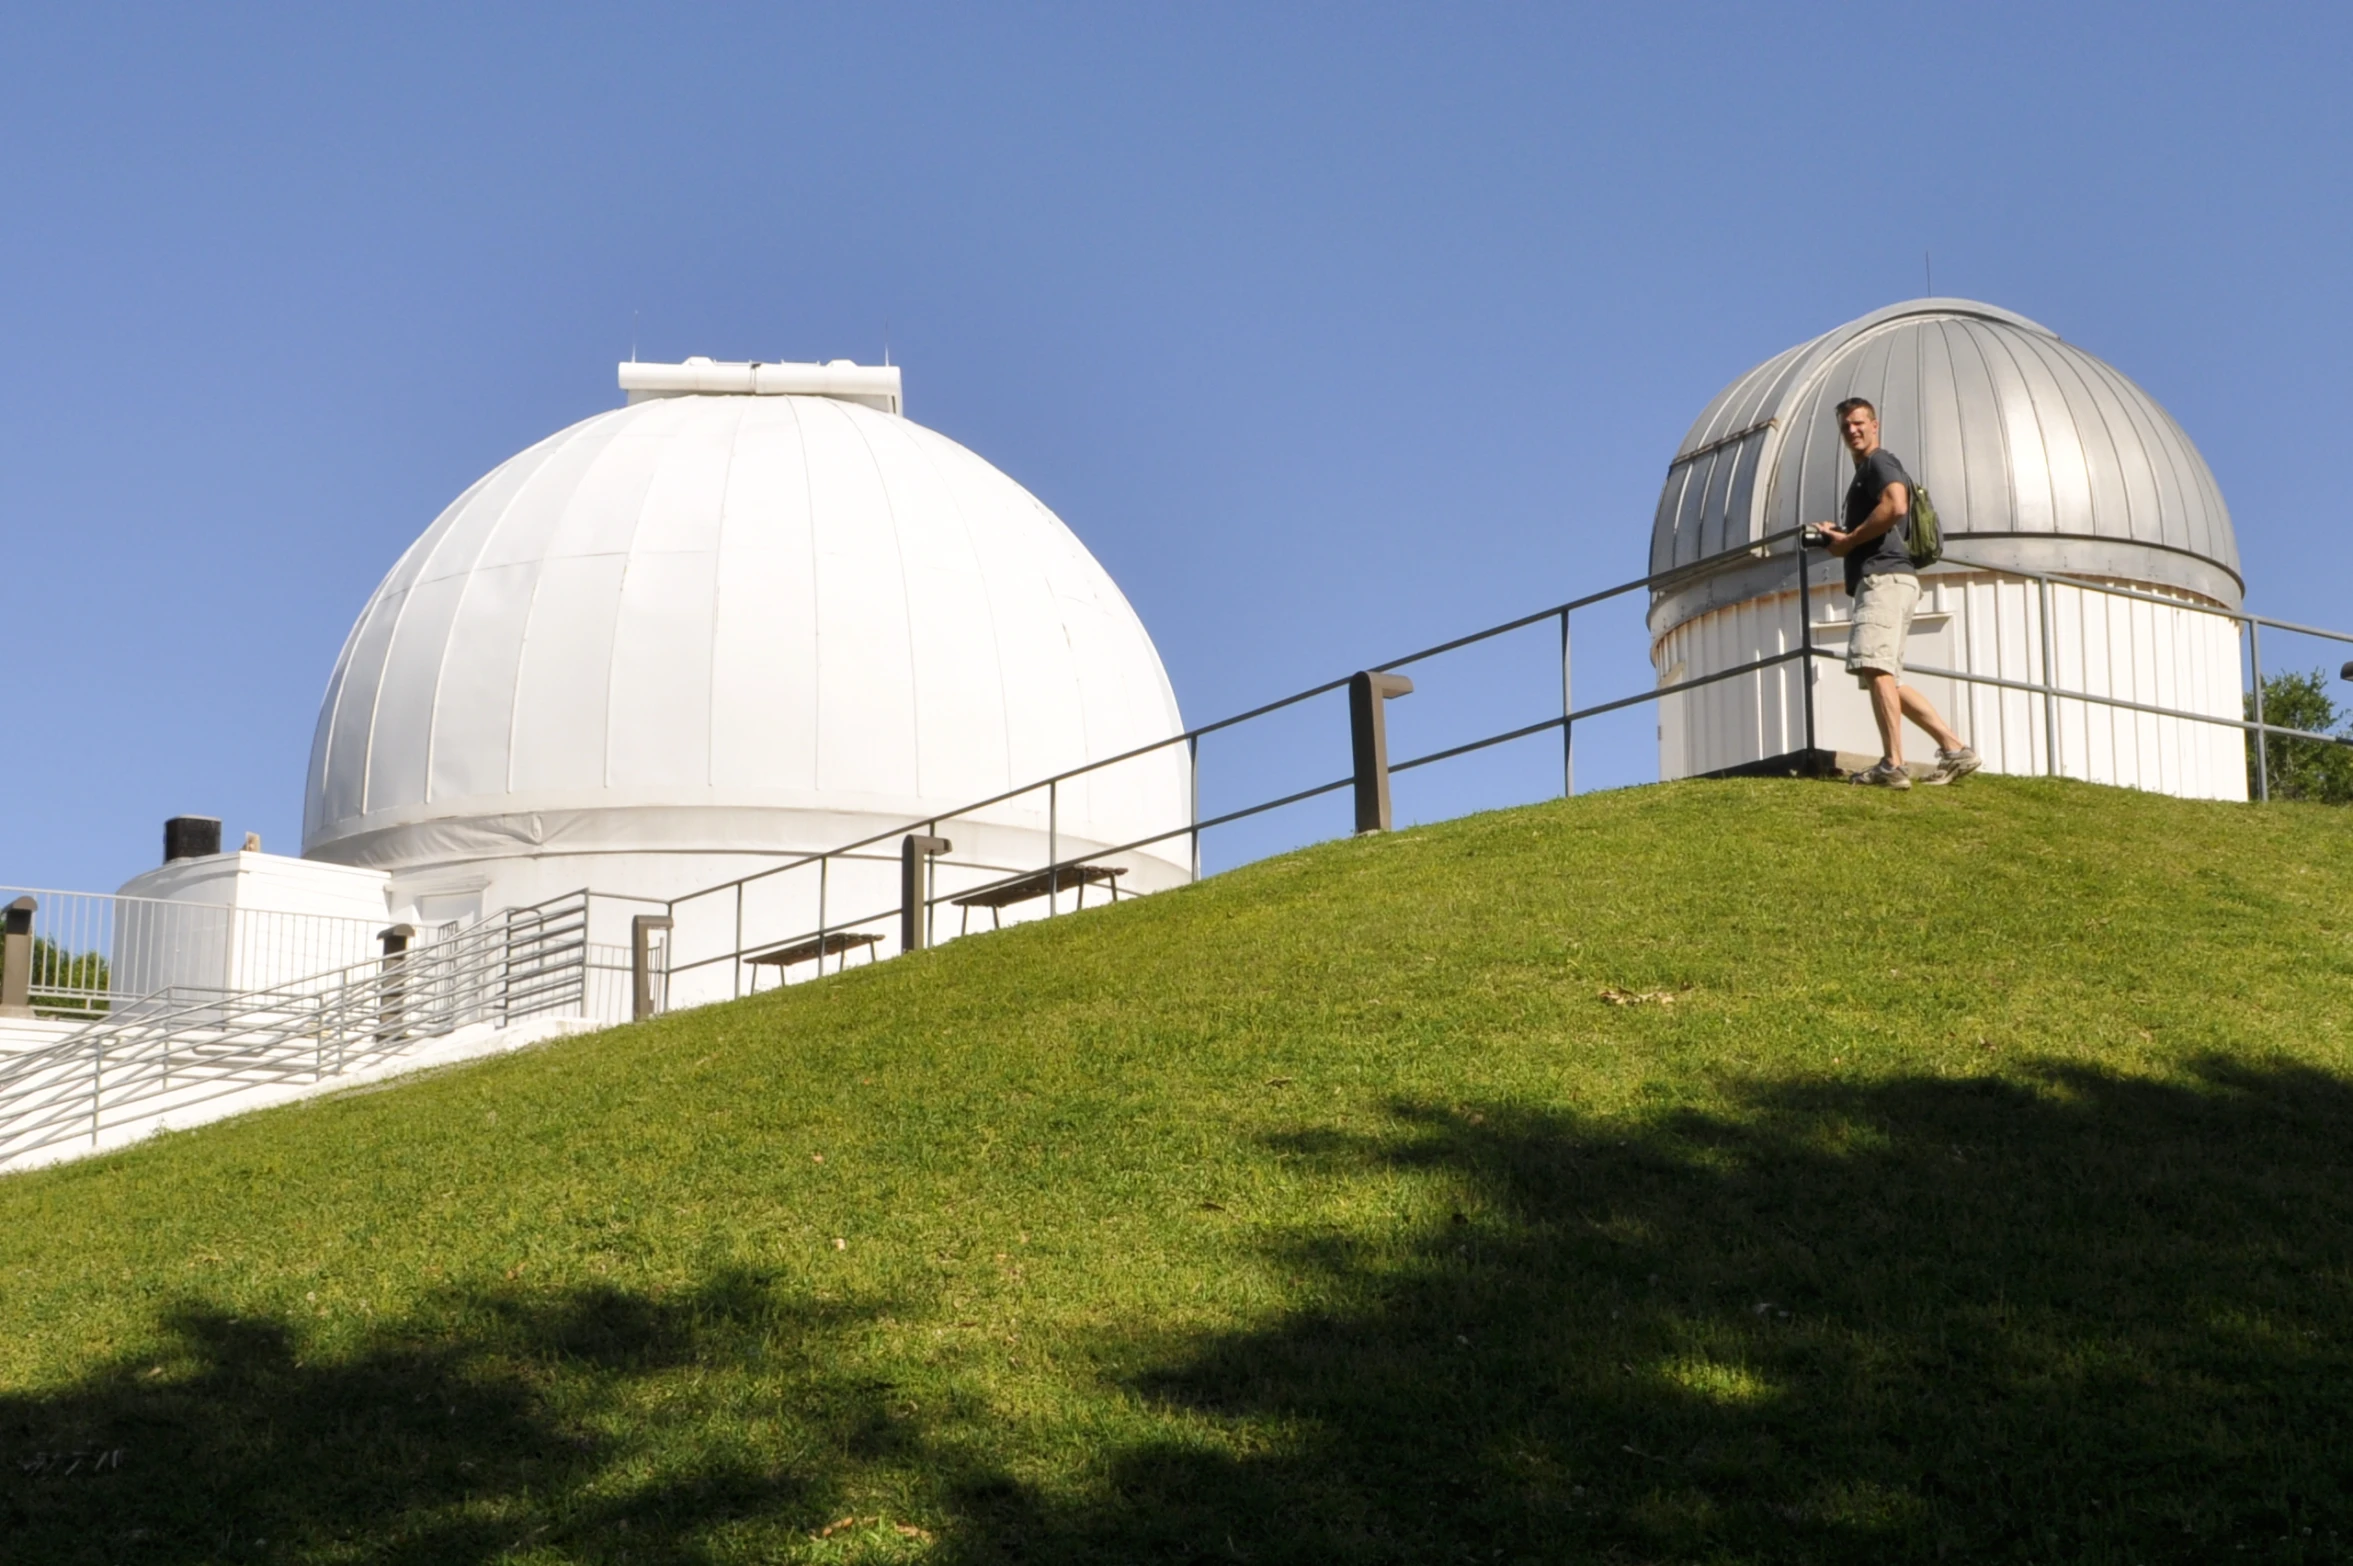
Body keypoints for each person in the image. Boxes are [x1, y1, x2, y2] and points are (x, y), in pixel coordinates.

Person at [1809, 398, 1980, 789]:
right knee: (1885, 675)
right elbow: (1885, 515)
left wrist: (1849, 540)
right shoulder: (1870, 470)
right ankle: (1955, 748)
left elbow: (1897, 506)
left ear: (1874, 424)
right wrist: (1841, 534)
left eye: (1858, 423)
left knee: (1878, 670)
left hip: (1883, 580)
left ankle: (1893, 764)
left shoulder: (1878, 463)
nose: (1852, 431)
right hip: (1895, 579)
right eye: (1846, 427)